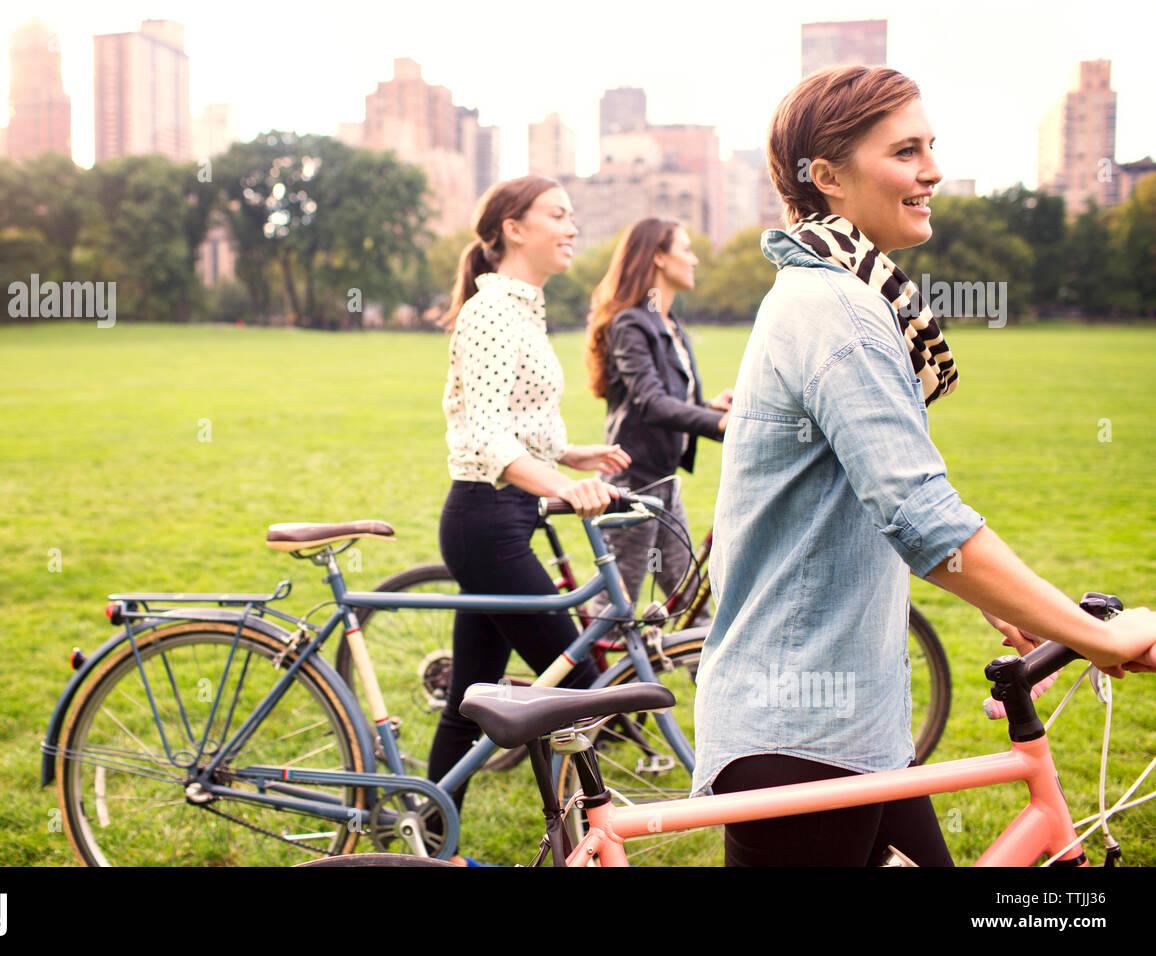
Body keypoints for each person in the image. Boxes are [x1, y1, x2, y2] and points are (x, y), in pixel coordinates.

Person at [691, 65, 1156, 866]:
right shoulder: (837, 309)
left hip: (843, 722)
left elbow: (887, 489)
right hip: (805, 733)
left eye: (930, 147)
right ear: (828, 177)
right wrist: (1096, 637)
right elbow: (920, 517)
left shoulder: (841, 294)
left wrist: (1012, 607)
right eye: (906, 151)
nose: (932, 170)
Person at [431, 175, 630, 861]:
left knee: (468, 700)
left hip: (500, 516)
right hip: (486, 519)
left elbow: (515, 422)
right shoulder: (492, 314)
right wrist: (562, 487)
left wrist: (573, 455)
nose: (572, 227)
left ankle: (430, 842)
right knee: (576, 687)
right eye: (558, 214)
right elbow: (487, 436)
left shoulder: (520, 309)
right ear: (514, 227)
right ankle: (587, 832)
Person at [583, 219, 730, 625]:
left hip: (663, 485)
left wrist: (713, 408)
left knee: (690, 604)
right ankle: (583, 684)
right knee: (614, 613)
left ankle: (709, 687)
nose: (694, 258)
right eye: (685, 249)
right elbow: (651, 403)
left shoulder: (670, 325)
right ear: (659, 257)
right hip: (633, 485)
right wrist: (721, 426)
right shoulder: (632, 323)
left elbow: (676, 401)